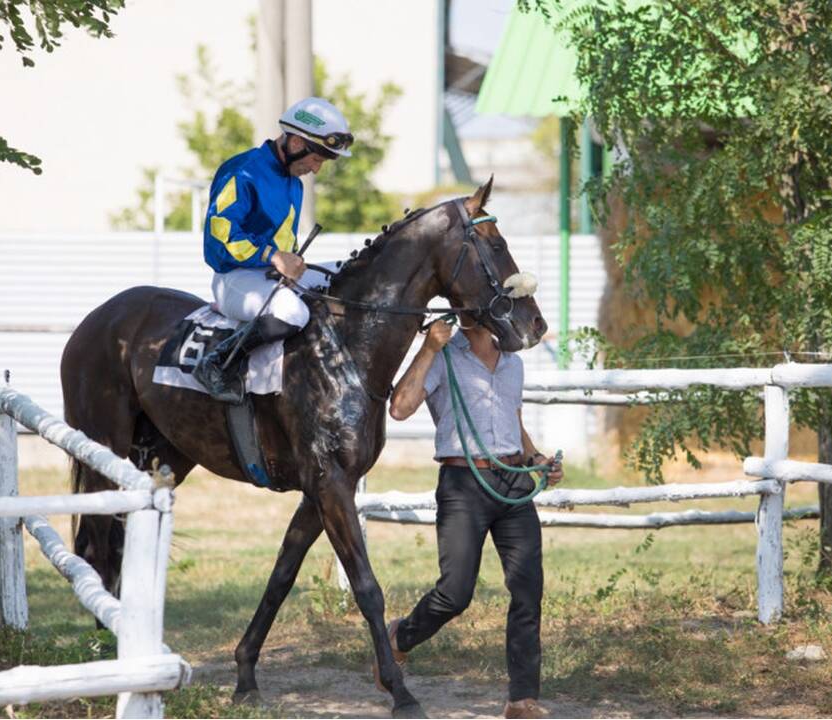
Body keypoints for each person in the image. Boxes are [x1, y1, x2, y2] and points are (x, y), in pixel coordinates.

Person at [385, 315, 564, 720]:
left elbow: (513, 423)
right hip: (463, 482)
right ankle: (399, 636)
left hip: (513, 484)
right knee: (455, 593)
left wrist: (538, 459)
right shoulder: (444, 354)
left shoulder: (512, 360)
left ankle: (521, 700)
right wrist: (428, 348)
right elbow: (399, 408)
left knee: (527, 590)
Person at [192, 96, 354, 401]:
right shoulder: (242, 171)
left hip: (270, 279)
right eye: (316, 159)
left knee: (347, 274)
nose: (316, 169)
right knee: (292, 312)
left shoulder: (295, 183)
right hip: (235, 279)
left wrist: (289, 262)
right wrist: (273, 256)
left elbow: (282, 246)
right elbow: (218, 240)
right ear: (295, 143)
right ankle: (217, 361)